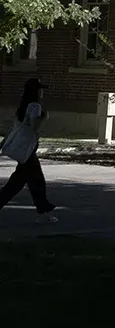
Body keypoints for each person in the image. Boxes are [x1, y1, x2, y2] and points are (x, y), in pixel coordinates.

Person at [0, 78, 57, 221]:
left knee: (22, 182)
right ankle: (44, 211)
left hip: (25, 150)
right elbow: (34, 127)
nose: (42, 92)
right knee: (34, 181)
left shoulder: (23, 106)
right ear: (35, 91)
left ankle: (44, 210)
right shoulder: (35, 106)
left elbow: (14, 127)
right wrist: (44, 118)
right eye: (40, 89)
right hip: (28, 150)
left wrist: (3, 143)